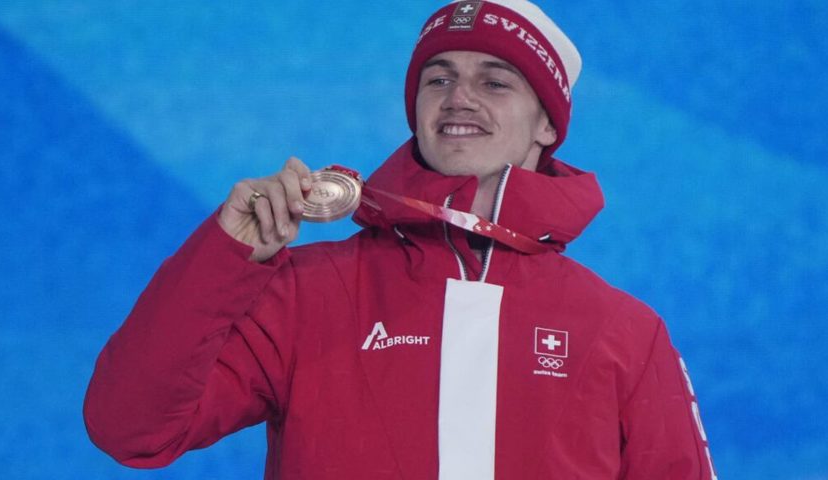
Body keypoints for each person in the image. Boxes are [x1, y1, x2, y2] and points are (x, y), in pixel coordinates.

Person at [84, 1, 717, 478]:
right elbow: (131, 428)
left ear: (548, 123)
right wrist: (223, 255)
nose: (458, 97)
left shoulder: (624, 331)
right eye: (437, 79)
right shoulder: (310, 291)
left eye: (495, 82)